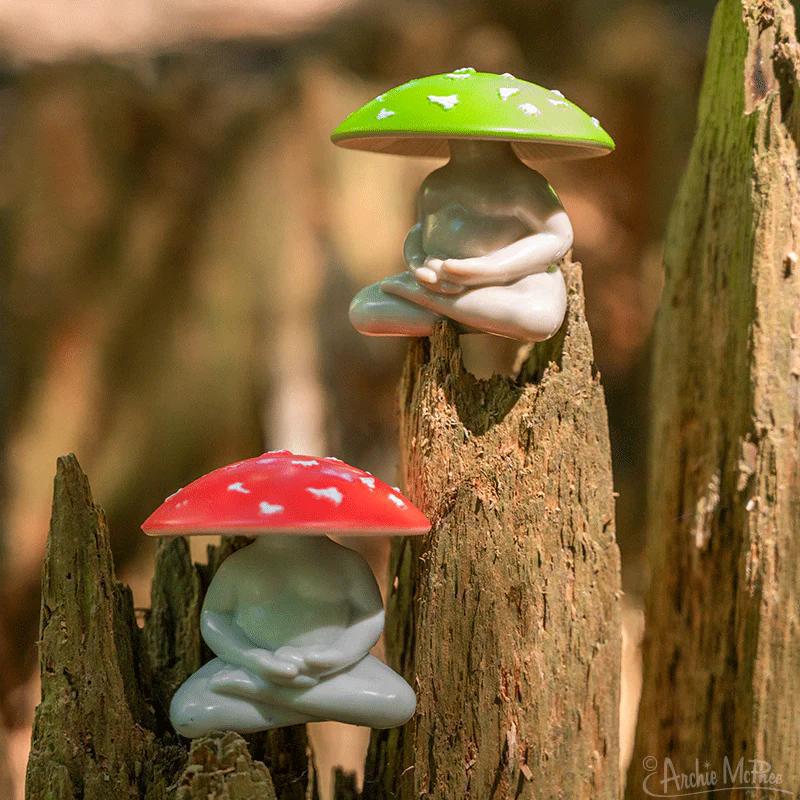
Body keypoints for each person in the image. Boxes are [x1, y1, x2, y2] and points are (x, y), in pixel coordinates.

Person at [169, 534, 415, 736]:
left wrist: (335, 656)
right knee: (188, 713)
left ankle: (267, 693)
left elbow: (368, 618)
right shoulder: (238, 564)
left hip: (337, 670)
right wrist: (252, 658)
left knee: (399, 701)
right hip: (248, 666)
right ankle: (328, 704)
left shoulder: (348, 562)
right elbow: (214, 618)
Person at [349, 140, 572, 341]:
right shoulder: (434, 183)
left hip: (517, 281)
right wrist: (418, 266)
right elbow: (419, 231)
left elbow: (558, 235)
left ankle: (435, 303)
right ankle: (475, 315)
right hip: (439, 280)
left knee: (538, 318)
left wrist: (486, 269)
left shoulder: (526, 183)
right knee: (364, 309)